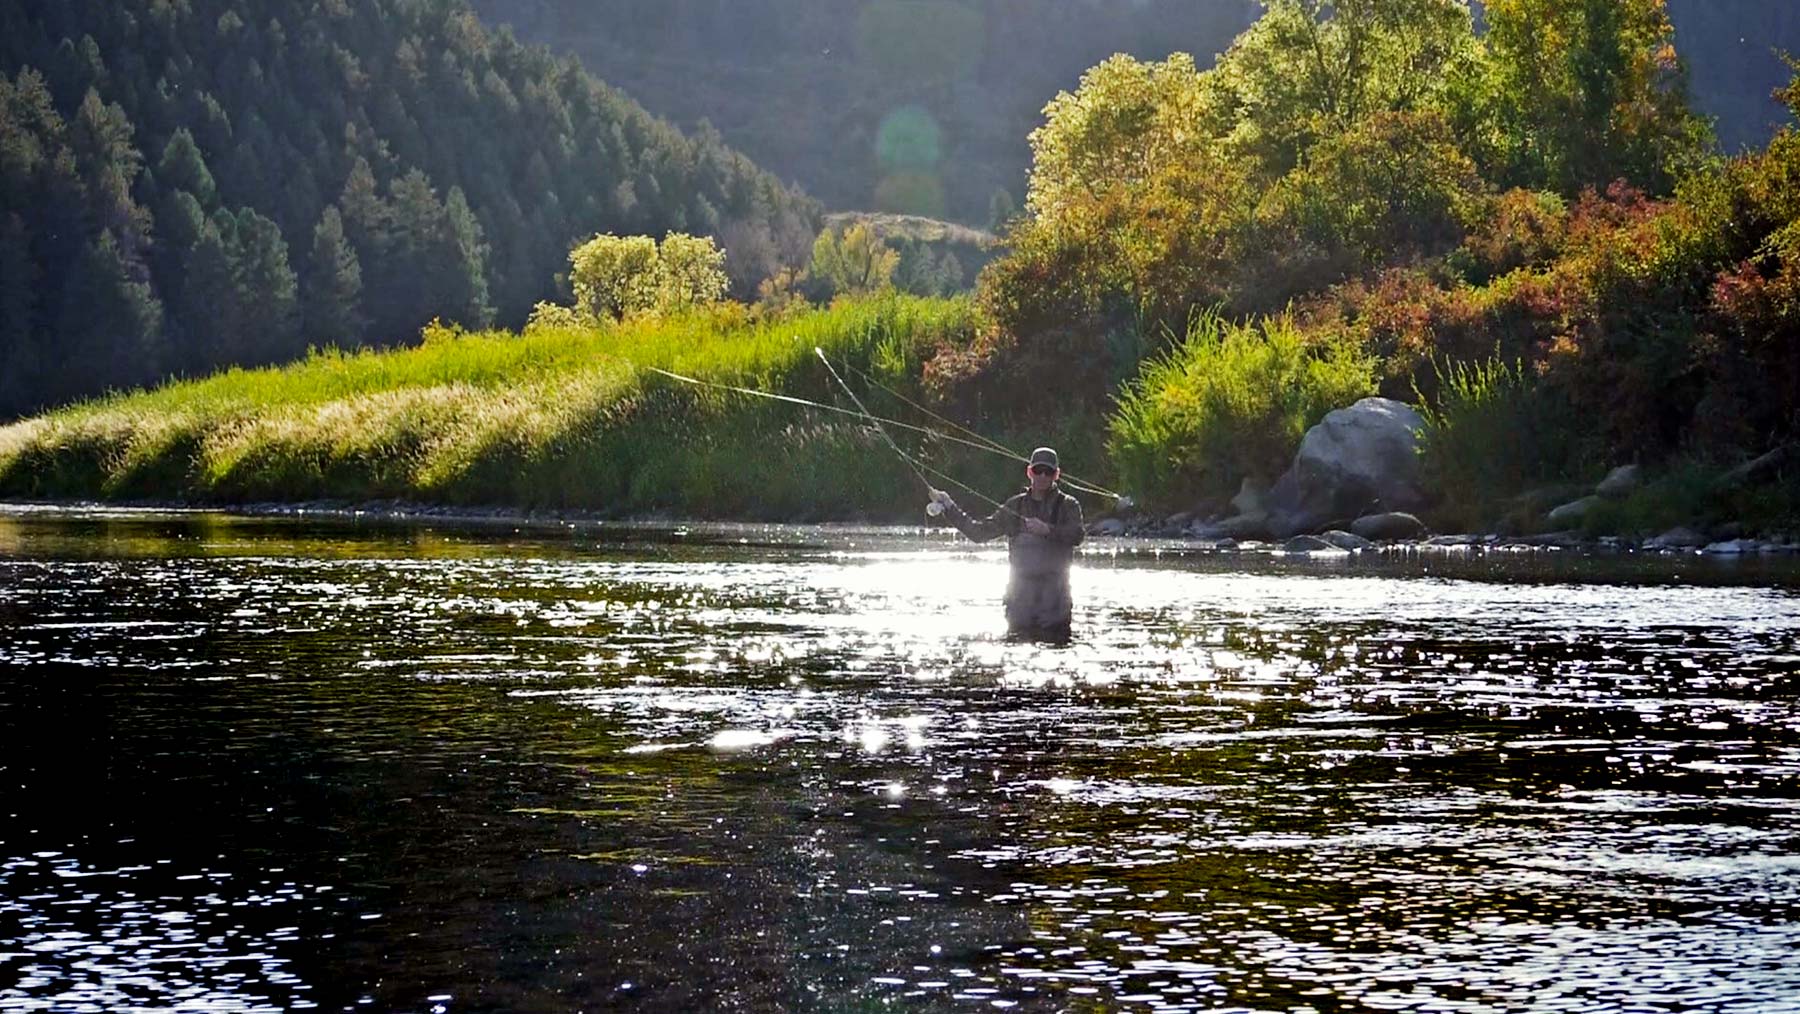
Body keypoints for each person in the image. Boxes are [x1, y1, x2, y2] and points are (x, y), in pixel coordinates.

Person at [929, 446, 1084, 642]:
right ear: (1029, 472)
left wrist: (1048, 530)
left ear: (1057, 474)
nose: (1043, 476)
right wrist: (949, 507)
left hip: (1054, 605)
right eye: (1038, 470)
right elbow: (978, 533)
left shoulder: (1068, 505)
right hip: (1020, 604)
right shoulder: (1015, 506)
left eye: (1049, 472)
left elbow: (1078, 535)